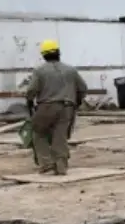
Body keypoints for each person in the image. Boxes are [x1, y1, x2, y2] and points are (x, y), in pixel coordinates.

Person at [25, 39, 88, 175]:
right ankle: (61, 167)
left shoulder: (39, 71)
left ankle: (46, 163)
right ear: (58, 53)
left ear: (44, 55)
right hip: (67, 107)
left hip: (47, 107)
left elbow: (32, 90)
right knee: (60, 137)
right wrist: (77, 101)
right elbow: (82, 88)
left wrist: (29, 101)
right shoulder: (71, 70)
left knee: (38, 133)